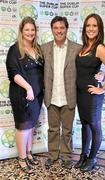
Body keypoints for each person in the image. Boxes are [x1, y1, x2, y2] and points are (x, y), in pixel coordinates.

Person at [41, 16, 103, 170]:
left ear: (66, 29)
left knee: (67, 130)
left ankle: (67, 157)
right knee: (53, 129)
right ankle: (53, 155)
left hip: (69, 96)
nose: (59, 31)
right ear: (52, 29)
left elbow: (88, 64)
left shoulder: (77, 48)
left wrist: (100, 73)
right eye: (56, 28)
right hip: (52, 95)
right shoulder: (44, 48)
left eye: (62, 28)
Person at [75, 13, 105, 172]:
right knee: (84, 125)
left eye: (94, 26)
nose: (91, 29)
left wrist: (103, 87)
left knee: (94, 126)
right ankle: (83, 156)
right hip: (81, 94)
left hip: (93, 95)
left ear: (99, 29)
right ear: (84, 28)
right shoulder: (84, 47)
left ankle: (92, 158)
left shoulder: (100, 48)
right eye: (88, 25)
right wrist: (101, 75)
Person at [6, 17, 44, 174]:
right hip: (22, 95)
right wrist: (28, 88)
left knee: (31, 127)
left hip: (37, 95)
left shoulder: (38, 49)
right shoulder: (15, 49)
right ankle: (21, 159)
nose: (30, 32)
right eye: (27, 29)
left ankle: (28, 154)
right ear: (21, 31)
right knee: (23, 127)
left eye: (32, 29)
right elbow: (13, 73)